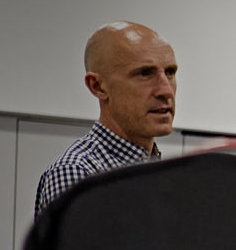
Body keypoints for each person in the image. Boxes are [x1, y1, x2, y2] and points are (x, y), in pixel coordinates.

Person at [35, 22, 177, 216]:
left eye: (170, 72)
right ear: (98, 86)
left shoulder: (161, 172)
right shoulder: (78, 173)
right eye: (145, 73)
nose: (166, 90)